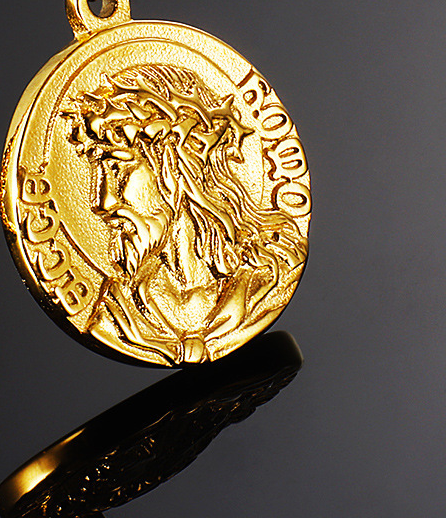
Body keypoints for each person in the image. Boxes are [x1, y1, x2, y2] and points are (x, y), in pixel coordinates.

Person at [65, 64, 307, 364]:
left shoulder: (273, 277)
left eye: (118, 167)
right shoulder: (116, 316)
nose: (104, 201)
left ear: (178, 167)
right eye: (98, 170)